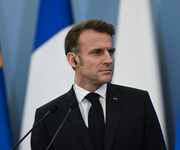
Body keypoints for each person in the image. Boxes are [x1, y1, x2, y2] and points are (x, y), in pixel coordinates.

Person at [31, 19, 166, 150]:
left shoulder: (138, 102)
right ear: (73, 60)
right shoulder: (48, 116)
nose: (109, 60)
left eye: (111, 52)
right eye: (97, 52)